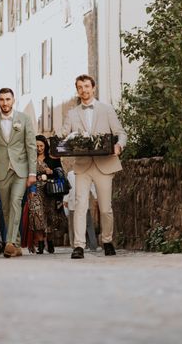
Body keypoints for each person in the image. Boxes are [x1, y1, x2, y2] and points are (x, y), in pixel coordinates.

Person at [61, 74, 127, 259]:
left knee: (106, 208)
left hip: (105, 164)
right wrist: (58, 140)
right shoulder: (72, 113)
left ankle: (107, 241)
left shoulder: (107, 109)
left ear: (93, 88)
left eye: (87, 86)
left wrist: (119, 145)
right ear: (77, 90)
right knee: (80, 205)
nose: (84, 90)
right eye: (80, 87)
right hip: (82, 166)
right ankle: (79, 246)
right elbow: (64, 133)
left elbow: (121, 133)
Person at [0, 88, 37, 258]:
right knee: (6, 209)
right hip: (1, 169)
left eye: (8, 99)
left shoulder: (24, 119)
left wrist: (33, 172)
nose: (5, 103)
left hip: (21, 169)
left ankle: (9, 242)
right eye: (2, 99)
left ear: (13, 100)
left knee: (16, 201)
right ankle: (16, 245)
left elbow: (31, 146)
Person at [27, 135, 65, 254]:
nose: (39, 148)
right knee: (36, 216)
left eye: (41, 146)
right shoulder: (30, 158)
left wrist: (52, 171)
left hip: (51, 190)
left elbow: (61, 173)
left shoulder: (53, 157)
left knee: (50, 217)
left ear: (46, 146)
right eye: (37, 146)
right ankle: (40, 244)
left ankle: (50, 242)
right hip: (35, 190)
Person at [64, 170, 99, 251]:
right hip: (81, 202)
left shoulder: (70, 174)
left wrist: (65, 199)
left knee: (74, 225)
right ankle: (92, 245)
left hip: (76, 203)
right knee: (88, 224)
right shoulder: (84, 172)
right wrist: (96, 196)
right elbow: (91, 185)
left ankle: (75, 245)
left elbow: (68, 188)